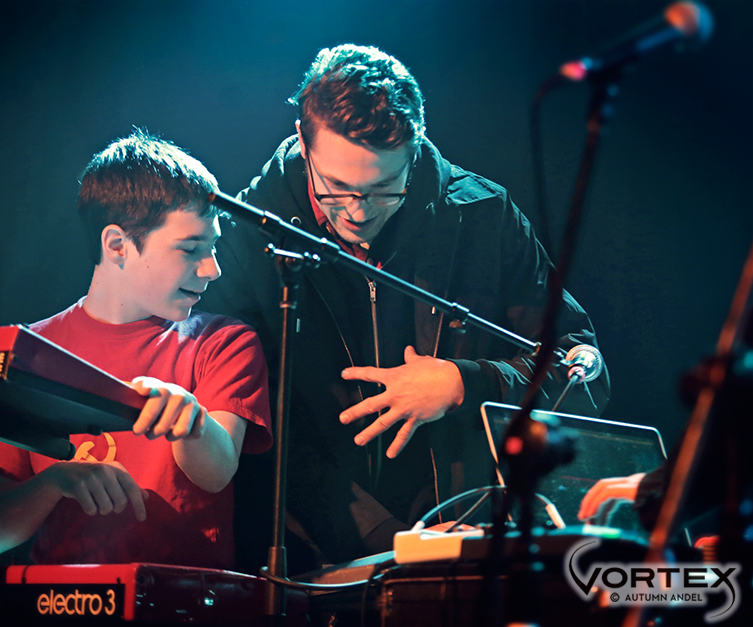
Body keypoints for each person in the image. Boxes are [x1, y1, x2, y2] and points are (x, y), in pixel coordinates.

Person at [200, 44, 610, 572]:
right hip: (310, 566)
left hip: (465, 549)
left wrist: (467, 383)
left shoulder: (483, 216)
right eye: (336, 188)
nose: (357, 212)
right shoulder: (243, 237)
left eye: (382, 189)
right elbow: (258, 433)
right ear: (303, 141)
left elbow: (583, 372)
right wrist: (394, 543)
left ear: (414, 151)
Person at [0, 131, 272, 570]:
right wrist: (54, 481)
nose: (213, 268)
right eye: (191, 249)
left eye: (214, 246)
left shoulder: (224, 343)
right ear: (117, 246)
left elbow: (217, 472)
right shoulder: (22, 354)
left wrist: (192, 421)